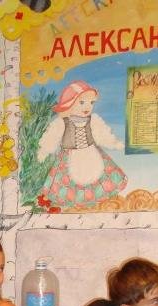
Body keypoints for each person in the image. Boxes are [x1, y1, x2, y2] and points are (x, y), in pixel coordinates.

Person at [37, 80, 127, 210]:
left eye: (91, 103)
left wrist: (114, 143)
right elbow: (51, 137)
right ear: (69, 103)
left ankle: (94, 204)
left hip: (92, 153)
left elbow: (103, 135)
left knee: (98, 176)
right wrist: (44, 150)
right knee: (70, 182)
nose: (87, 107)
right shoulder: (62, 122)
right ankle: (77, 205)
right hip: (69, 156)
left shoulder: (93, 120)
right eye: (82, 102)